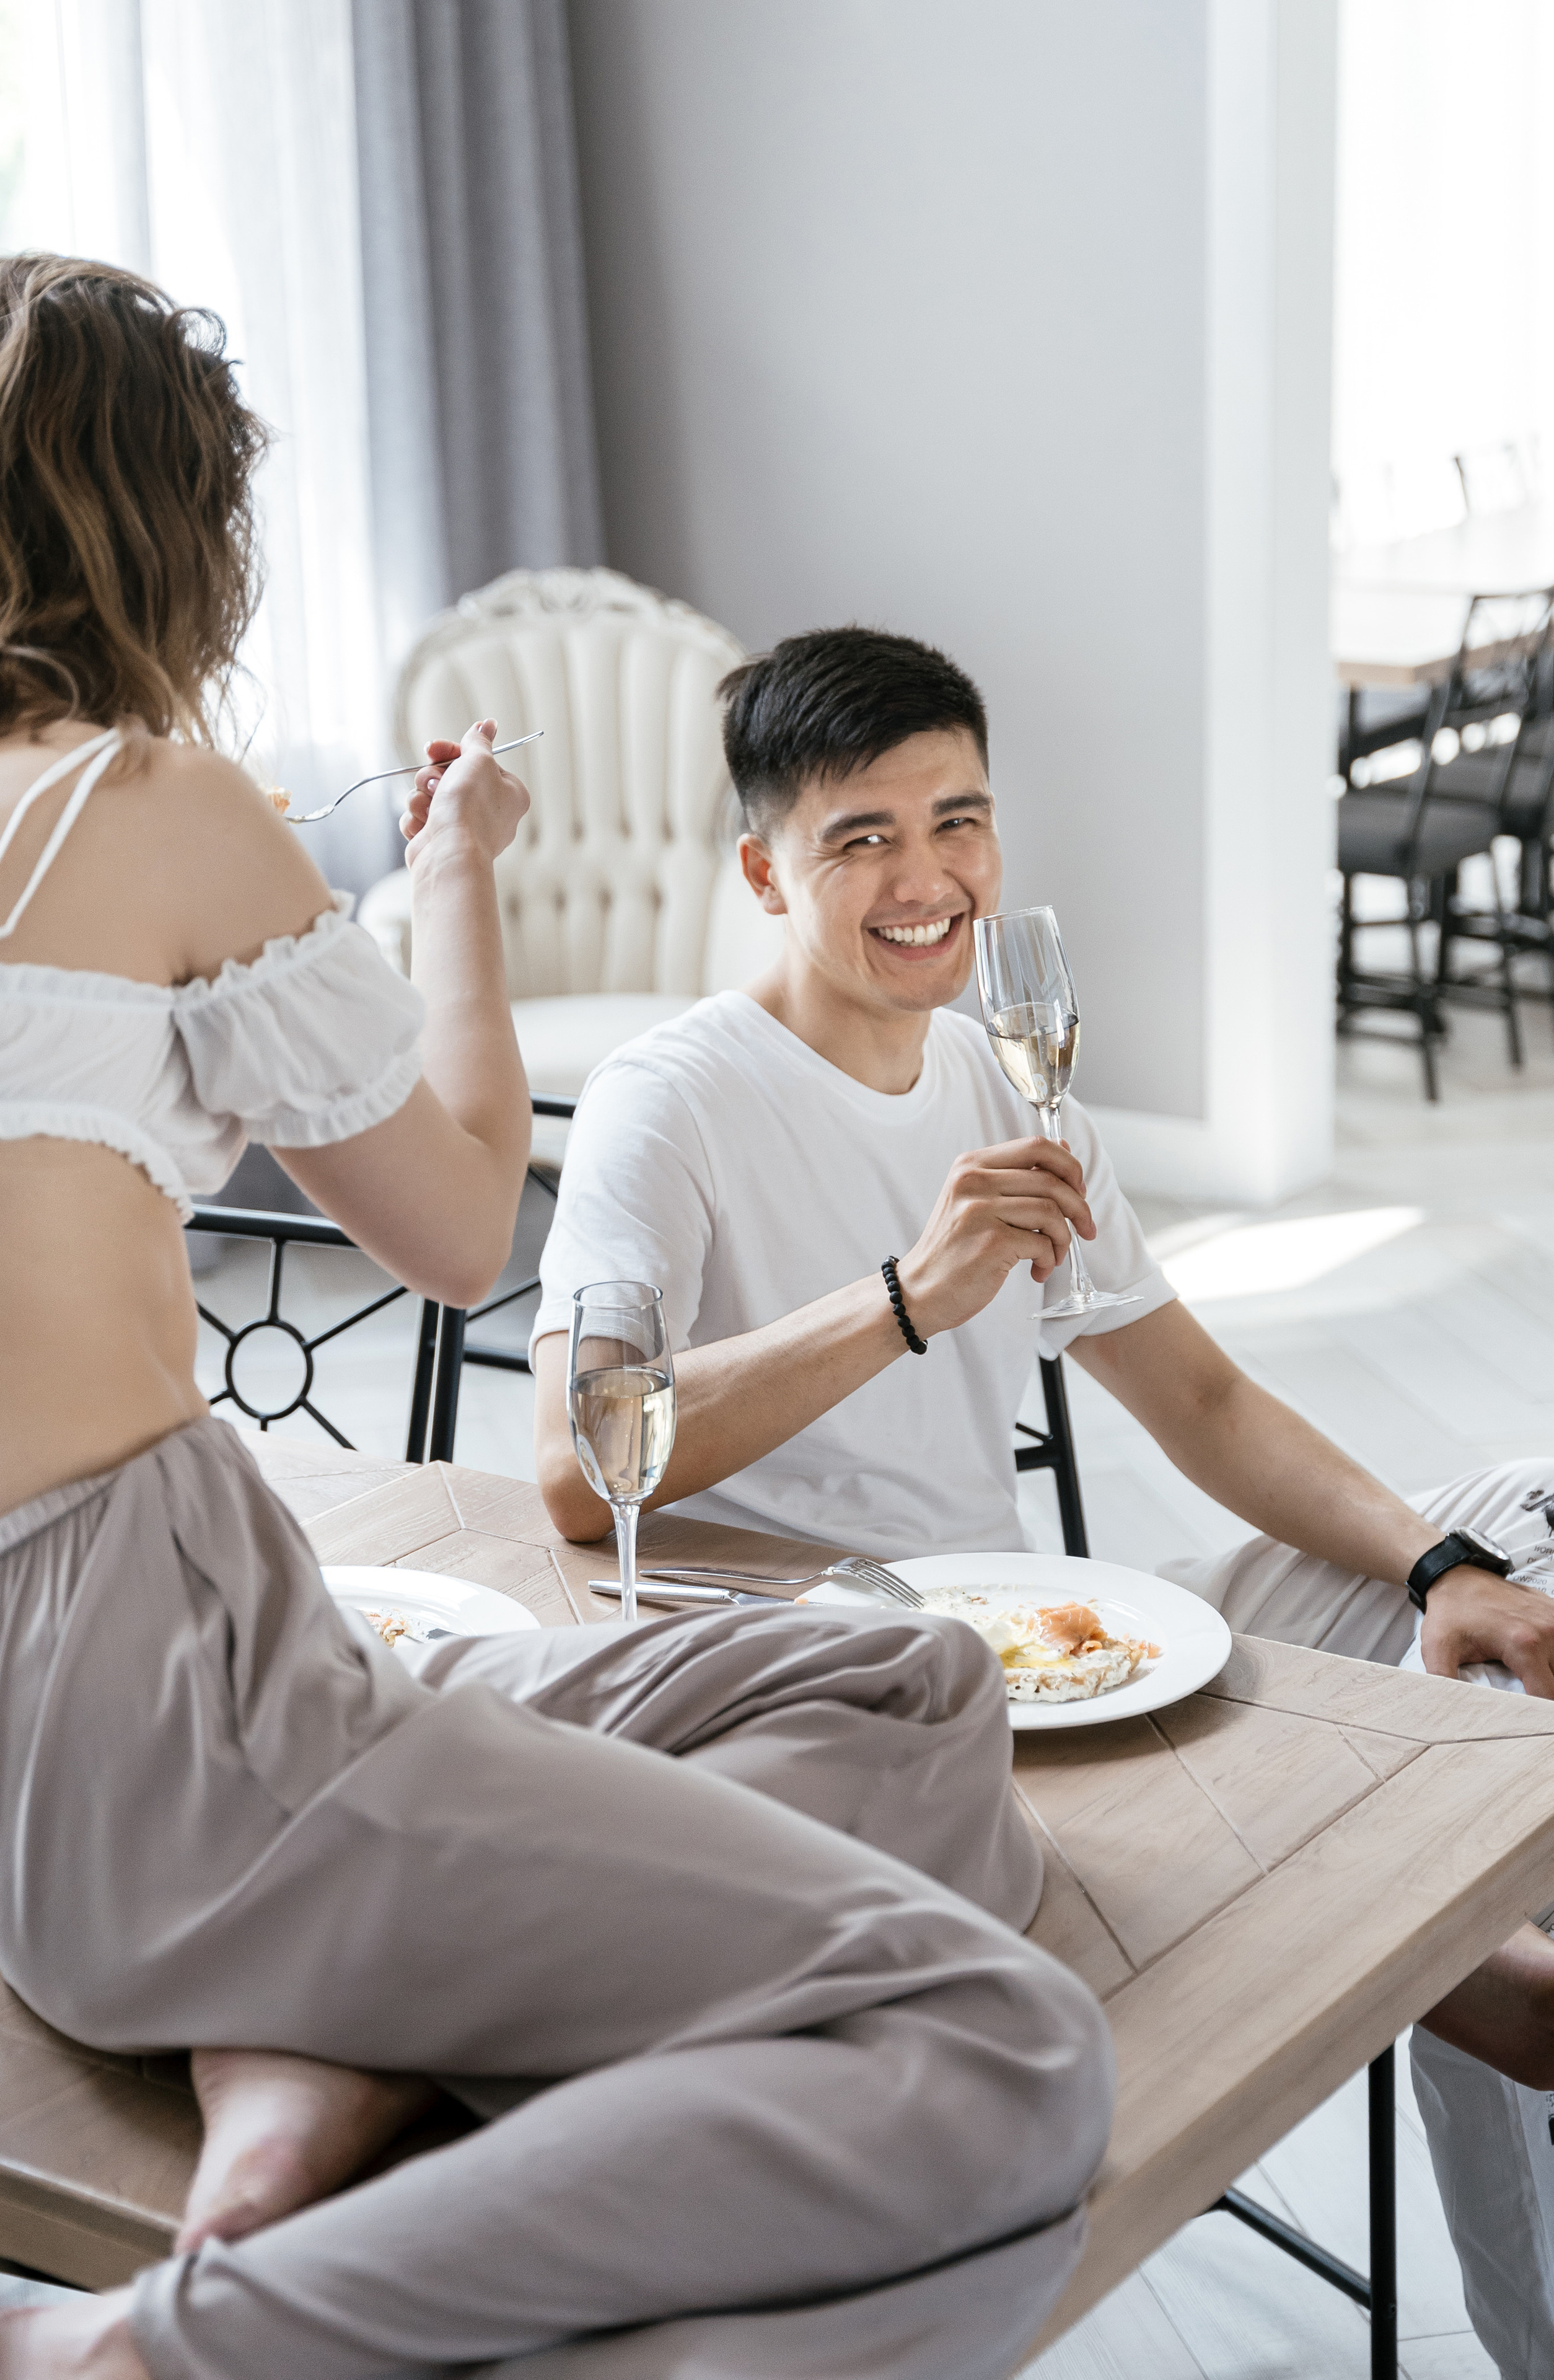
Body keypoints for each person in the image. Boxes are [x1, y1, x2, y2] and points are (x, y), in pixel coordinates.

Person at [0, 258, 1113, 2380]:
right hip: (167, 1713)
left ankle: (329, 2045)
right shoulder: (142, 808)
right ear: (169, 520)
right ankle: (158, 2345)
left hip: (90, 1751)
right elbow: (448, 1219)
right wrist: (452, 891)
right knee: (999, 2042)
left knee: (908, 1678)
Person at [531, 623, 1554, 2378]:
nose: (927, 877)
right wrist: (902, 1301)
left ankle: (1475, 1967)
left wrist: (1443, 1563)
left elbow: (1201, 1401)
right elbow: (578, 1467)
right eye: (861, 837)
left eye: (960, 821)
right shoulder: (673, 1100)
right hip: (826, 1697)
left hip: (1033, 1642)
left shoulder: (1008, 1083)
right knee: (1459, 1933)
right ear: (762, 869)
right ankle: (1448, 1968)